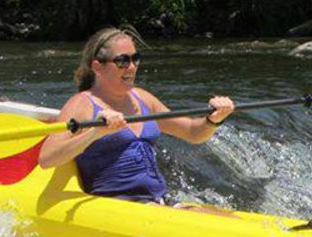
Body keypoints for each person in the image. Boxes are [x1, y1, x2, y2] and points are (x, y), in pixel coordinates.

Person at [38, 26, 235, 207]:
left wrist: (214, 119)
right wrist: (95, 133)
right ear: (97, 67)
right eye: (122, 61)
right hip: (117, 205)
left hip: (157, 201)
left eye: (135, 58)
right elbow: (47, 158)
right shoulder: (82, 104)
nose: (132, 67)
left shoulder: (143, 98)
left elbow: (193, 132)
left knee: (227, 221)